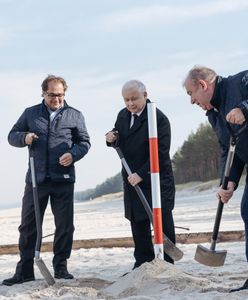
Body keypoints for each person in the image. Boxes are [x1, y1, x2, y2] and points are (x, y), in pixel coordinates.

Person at [2, 75, 91, 286]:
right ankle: (24, 271)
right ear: (43, 93)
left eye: (60, 95)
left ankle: (61, 267)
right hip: (36, 178)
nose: (57, 99)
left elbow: (85, 142)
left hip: (64, 179)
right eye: (52, 95)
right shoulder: (30, 113)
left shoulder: (75, 115)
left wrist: (74, 154)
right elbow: (12, 135)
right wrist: (24, 138)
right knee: (29, 226)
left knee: (65, 226)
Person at [183, 66, 248, 292]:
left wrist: (245, 108)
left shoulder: (240, 82)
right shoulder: (214, 113)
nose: (192, 101)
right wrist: (228, 180)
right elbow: (228, 148)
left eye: (191, 94)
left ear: (203, 85)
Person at [105, 80, 176, 269]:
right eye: (126, 100)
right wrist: (111, 137)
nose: (130, 104)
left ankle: (167, 264)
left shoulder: (158, 118)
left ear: (145, 95)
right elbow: (119, 136)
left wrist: (142, 173)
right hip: (130, 176)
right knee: (137, 221)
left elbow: (161, 153)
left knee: (162, 220)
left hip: (155, 177)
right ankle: (142, 264)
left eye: (134, 99)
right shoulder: (122, 115)